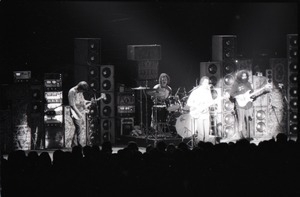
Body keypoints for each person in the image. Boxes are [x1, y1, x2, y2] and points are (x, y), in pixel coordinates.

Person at [68, 81, 105, 147]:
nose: (82, 92)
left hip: (79, 111)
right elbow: (72, 105)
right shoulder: (72, 92)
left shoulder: (80, 92)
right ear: (79, 88)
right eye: (82, 91)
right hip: (75, 112)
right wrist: (79, 113)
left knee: (79, 129)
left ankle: (74, 144)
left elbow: (83, 101)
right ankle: (78, 145)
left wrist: (90, 101)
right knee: (79, 128)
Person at [187, 76, 214, 144]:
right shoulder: (196, 91)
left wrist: (209, 105)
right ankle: (200, 148)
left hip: (206, 113)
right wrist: (197, 106)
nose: (206, 84)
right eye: (205, 82)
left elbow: (210, 101)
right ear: (201, 82)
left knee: (207, 134)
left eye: (207, 82)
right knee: (201, 134)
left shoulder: (208, 91)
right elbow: (189, 102)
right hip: (199, 114)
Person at [230, 70, 254, 141]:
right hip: (240, 105)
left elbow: (252, 93)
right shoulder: (236, 84)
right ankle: (242, 137)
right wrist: (239, 96)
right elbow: (232, 94)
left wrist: (253, 95)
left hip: (248, 105)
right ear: (240, 76)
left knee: (249, 120)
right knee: (241, 121)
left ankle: (249, 136)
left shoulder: (248, 83)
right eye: (243, 76)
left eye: (245, 76)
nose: (244, 77)